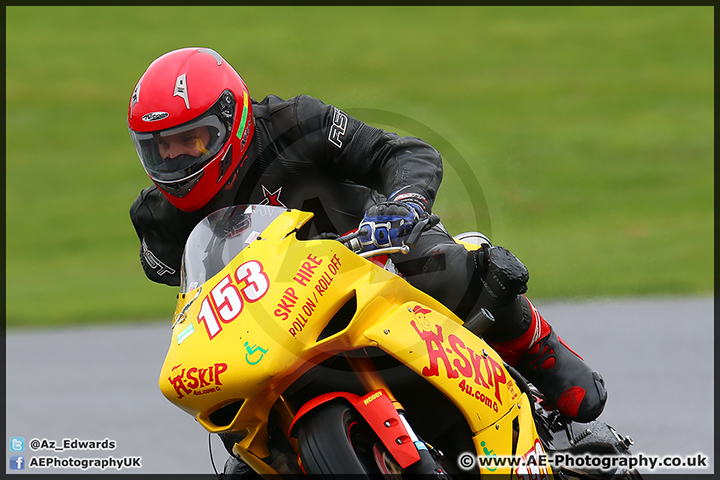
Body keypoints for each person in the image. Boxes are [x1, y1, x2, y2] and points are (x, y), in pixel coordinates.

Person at [128, 47, 607, 476]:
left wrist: (402, 206)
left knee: (448, 266)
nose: (176, 159)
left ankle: (536, 346)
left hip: (377, 257)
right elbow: (195, 293)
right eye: (161, 148)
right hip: (279, 318)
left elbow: (401, 152)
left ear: (231, 120)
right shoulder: (157, 218)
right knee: (238, 450)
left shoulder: (295, 124)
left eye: (191, 140)